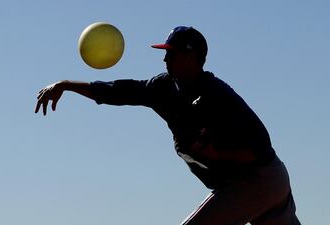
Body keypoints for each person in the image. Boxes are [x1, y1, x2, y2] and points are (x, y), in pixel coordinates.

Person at [35, 26, 301, 225]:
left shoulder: (217, 95)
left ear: (192, 57)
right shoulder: (163, 88)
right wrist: (66, 85)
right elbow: (118, 92)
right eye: (165, 53)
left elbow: (260, 148)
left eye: (172, 54)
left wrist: (217, 154)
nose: (165, 59)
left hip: (259, 180)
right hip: (251, 186)